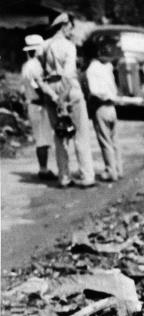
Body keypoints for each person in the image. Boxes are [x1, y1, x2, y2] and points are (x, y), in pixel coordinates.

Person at [40, 13, 95, 188]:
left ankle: (64, 176)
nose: (71, 30)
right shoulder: (69, 46)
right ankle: (87, 176)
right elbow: (69, 74)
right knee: (80, 133)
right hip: (68, 90)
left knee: (60, 134)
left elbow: (39, 75)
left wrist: (53, 96)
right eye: (70, 26)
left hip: (50, 89)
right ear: (64, 25)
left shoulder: (44, 46)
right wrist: (62, 100)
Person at [86, 42, 122, 181]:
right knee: (114, 140)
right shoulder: (108, 67)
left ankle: (110, 170)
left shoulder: (92, 68)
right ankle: (118, 169)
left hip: (101, 106)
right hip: (112, 106)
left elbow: (94, 90)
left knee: (105, 141)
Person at [20, 34, 55, 179]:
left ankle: (44, 168)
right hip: (38, 106)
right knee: (42, 139)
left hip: (34, 105)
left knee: (43, 138)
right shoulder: (34, 66)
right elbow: (38, 88)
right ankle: (43, 170)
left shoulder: (26, 66)